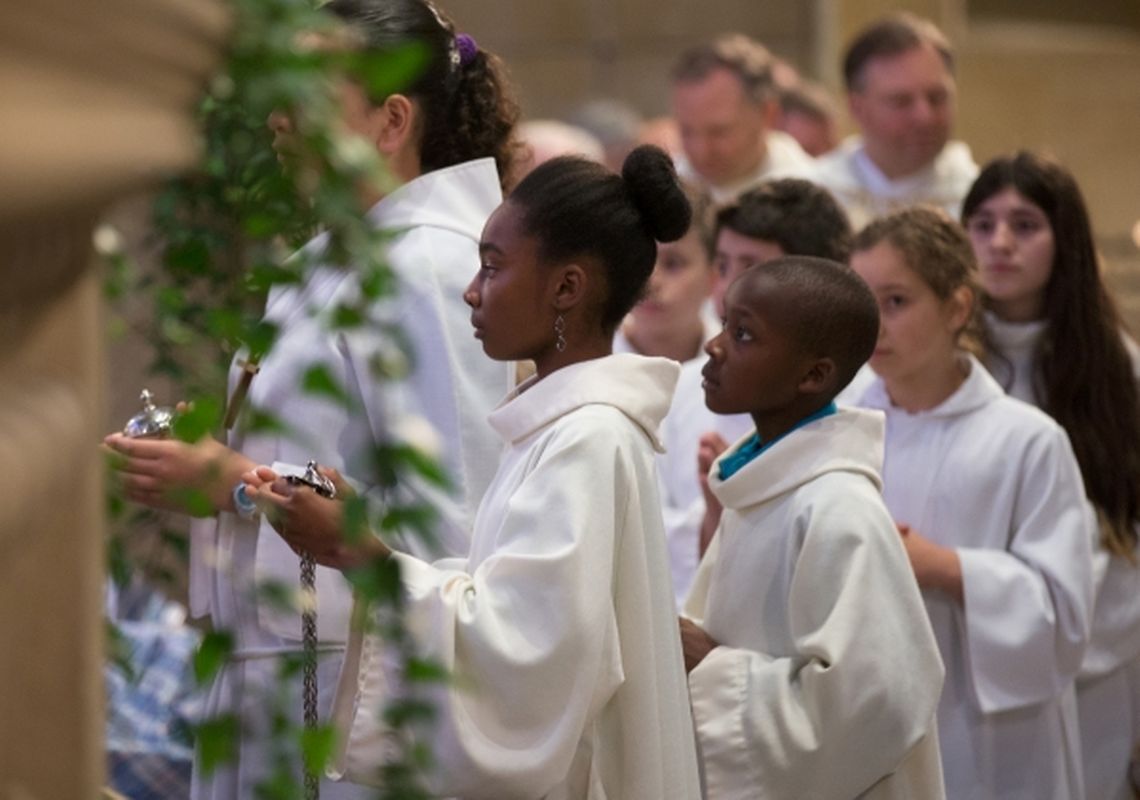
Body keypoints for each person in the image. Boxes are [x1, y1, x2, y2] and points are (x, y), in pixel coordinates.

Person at [103, 1, 519, 796]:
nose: (278, 122)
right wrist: (217, 465)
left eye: (306, 95)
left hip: (356, 688)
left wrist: (237, 484)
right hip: (282, 661)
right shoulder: (334, 261)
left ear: (390, 121)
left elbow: (457, 529)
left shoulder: (434, 267)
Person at [248, 146, 702, 797]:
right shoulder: (557, 428)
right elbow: (502, 598)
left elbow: (526, 653)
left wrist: (360, 553)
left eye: (492, 266)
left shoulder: (588, 438)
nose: (471, 289)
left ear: (566, 288)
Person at [850, 206, 1095, 799]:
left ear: (957, 307)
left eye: (896, 301)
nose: (873, 324)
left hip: (991, 735)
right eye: (862, 301)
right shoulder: (842, 427)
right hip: (871, 715)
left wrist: (946, 567)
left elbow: (1064, 616)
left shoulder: (1027, 440)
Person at [680, 256, 946, 798]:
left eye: (744, 334)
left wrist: (708, 667)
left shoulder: (838, 508)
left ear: (814, 375)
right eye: (725, 323)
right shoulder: (762, 488)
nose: (714, 345)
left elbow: (878, 705)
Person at [963, 151, 1140, 800]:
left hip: (1099, 651)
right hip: (968, 648)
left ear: (1065, 241)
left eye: (1024, 225)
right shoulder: (943, 363)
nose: (999, 243)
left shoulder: (1119, 370)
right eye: (982, 224)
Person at [659, 178, 863, 604]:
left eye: (751, 268)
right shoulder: (680, 388)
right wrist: (711, 518)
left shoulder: (857, 400)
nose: (728, 288)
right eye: (722, 266)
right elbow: (648, 523)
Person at [813, 14, 978, 230]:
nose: (924, 117)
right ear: (857, 108)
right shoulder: (815, 197)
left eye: (936, 98)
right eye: (901, 101)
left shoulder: (979, 201)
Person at [670, 33, 814, 203]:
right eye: (687, 131)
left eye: (719, 132)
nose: (701, 151)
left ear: (768, 114)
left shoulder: (809, 198)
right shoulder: (669, 187)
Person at [614, 181, 717, 363]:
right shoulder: (588, 364)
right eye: (639, 259)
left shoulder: (738, 364)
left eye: (672, 264)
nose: (651, 282)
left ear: (713, 277)